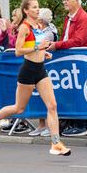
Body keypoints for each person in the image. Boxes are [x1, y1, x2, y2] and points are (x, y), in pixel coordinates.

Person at [0, 0, 71, 156]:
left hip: (40, 70)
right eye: (34, 7)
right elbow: (18, 51)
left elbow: (34, 47)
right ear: (26, 11)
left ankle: (56, 143)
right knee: (18, 108)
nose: (37, 9)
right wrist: (38, 47)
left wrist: (44, 52)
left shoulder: (39, 26)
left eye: (38, 6)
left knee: (52, 106)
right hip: (28, 70)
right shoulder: (24, 27)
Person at [46, 0, 87, 137]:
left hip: (81, 59)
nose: (64, 2)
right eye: (64, 0)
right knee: (73, 91)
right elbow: (67, 37)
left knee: (78, 91)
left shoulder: (84, 18)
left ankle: (81, 124)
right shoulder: (70, 17)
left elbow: (78, 40)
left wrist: (57, 45)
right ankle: (82, 123)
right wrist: (58, 44)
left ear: (76, 1)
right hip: (73, 59)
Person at [28, 8, 58, 137]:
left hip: (47, 67)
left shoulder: (49, 32)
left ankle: (49, 126)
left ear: (41, 20)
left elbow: (37, 45)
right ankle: (41, 125)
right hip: (35, 65)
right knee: (37, 96)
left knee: (49, 100)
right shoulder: (37, 30)